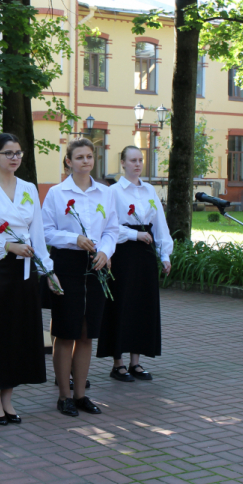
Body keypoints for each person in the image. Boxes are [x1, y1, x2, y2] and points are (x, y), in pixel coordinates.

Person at [0, 133, 62, 425]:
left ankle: (8, 397)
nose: (15, 157)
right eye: (8, 153)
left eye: (18, 152)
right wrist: (6, 245)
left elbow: (39, 236)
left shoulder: (29, 188)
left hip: (23, 274)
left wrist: (49, 272)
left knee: (16, 337)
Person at [42, 138, 119, 417]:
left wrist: (106, 251)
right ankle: (64, 396)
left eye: (89, 156)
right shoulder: (56, 193)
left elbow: (112, 229)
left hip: (96, 265)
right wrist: (74, 238)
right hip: (67, 264)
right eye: (79, 157)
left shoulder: (106, 193)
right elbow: (46, 232)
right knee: (65, 332)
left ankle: (81, 395)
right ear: (68, 161)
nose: (86, 161)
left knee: (87, 333)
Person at [97, 146, 173, 382]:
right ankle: (117, 362)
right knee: (121, 305)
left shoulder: (149, 190)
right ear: (122, 163)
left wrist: (164, 254)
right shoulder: (113, 192)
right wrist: (133, 235)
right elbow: (107, 225)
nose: (137, 164)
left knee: (142, 305)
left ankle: (135, 362)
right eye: (132, 160)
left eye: (140, 160)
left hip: (145, 254)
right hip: (122, 254)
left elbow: (160, 224)